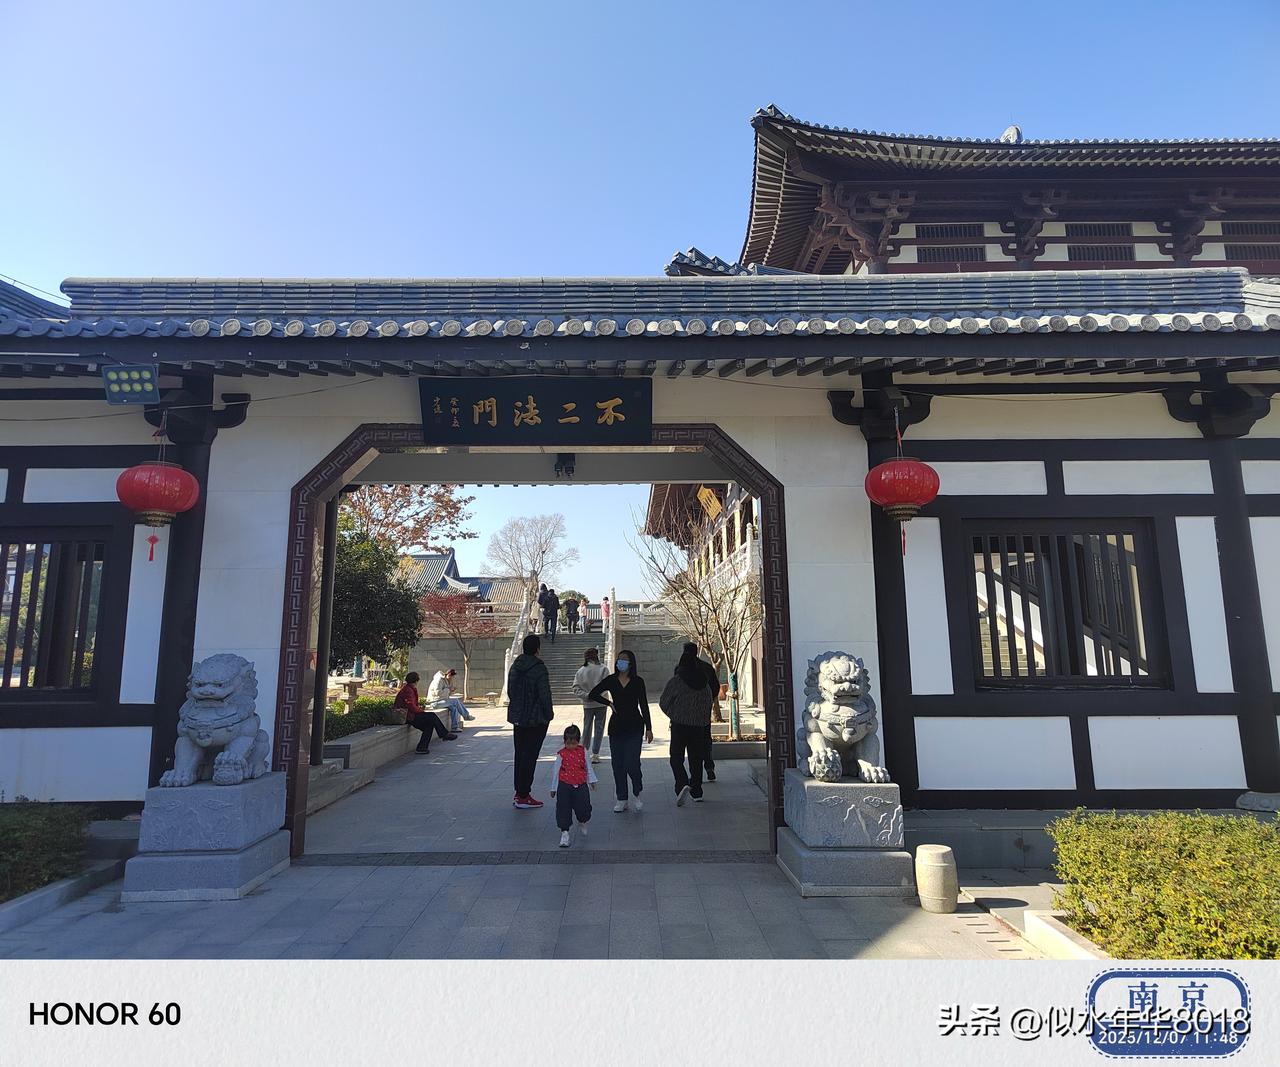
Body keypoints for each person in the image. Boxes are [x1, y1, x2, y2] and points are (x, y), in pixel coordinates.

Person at [587, 649, 652, 813]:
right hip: (616, 727)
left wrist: (649, 728)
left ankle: (637, 791)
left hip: (635, 726)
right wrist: (609, 703)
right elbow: (593, 694)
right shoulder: (611, 680)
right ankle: (622, 798)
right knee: (618, 764)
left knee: (632, 763)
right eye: (619, 659)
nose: (620, 662)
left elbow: (644, 705)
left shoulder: (638, 681)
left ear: (630, 663)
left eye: (624, 659)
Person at [658, 643, 720, 804]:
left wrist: (674, 715)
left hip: (679, 725)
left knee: (676, 757)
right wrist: (702, 719)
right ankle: (697, 791)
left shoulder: (676, 681)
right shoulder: (704, 682)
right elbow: (709, 701)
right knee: (696, 758)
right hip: (699, 726)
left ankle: (682, 783)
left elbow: (663, 702)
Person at [506, 633, 553, 809]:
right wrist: (549, 714)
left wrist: (518, 706)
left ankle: (519, 792)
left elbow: (510, 691)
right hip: (536, 718)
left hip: (518, 717)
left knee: (520, 754)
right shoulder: (539, 668)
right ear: (537, 649)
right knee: (530, 755)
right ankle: (524, 795)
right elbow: (544, 695)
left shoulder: (515, 666)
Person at [548, 723, 597, 847]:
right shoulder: (561, 754)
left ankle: (583, 819)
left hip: (580, 784)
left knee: (583, 807)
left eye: (573, 743)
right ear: (564, 742)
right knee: (563, 808)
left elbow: (588, 766)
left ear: (578, 741)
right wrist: (554, 788)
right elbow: (556, 771)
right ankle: (564, 833)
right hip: (565, 785)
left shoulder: (583, 752)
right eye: (568, 743)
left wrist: (591, 780)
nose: (570, 746)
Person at [395, 671, 456, 753]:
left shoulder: (409, 688)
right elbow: (410, 706)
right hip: (408, 716)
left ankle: (422, 748)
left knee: (429, 724)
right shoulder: (408, 690)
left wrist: (419, 709)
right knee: (431, 716)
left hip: (410, 714)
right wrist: (421, 711)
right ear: (416, 681)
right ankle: (444, 734)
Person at [572, 647, 609, 764]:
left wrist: (587, 696)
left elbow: (576, 688)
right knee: (599, 728)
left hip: (587, 704)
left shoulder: (581, 671)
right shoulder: (604, 669)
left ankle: (584, 751)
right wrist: (597, 695)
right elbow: (607, 685)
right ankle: (595, 754)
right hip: (601, 703)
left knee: (587, 727)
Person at [427, 667, 474, 731]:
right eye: (452, 677)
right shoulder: (439, 680)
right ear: (449, 675)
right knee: (455, 701)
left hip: (441, 701)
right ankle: (466, 716)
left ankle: (454, 727)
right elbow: (437, 693)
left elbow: (445, 694)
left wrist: (451, 691)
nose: (452, 679)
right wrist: (448, 690)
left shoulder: (446, 681)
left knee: (454, 708)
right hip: (434, 702)